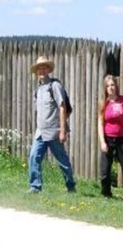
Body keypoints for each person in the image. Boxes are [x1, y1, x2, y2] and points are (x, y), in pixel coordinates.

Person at [27, 55, 75, 194]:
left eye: (44, 67)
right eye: (39, 68)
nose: (41, 70)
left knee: (62, 161)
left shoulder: (55, 85)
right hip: (41, 131)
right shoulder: (39, 89)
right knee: (33, 157)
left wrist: (62, 130)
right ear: (36, 71)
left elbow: (62, 106)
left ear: (48, 69)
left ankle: (71, 186)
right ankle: (35, 187)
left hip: (54, 131)